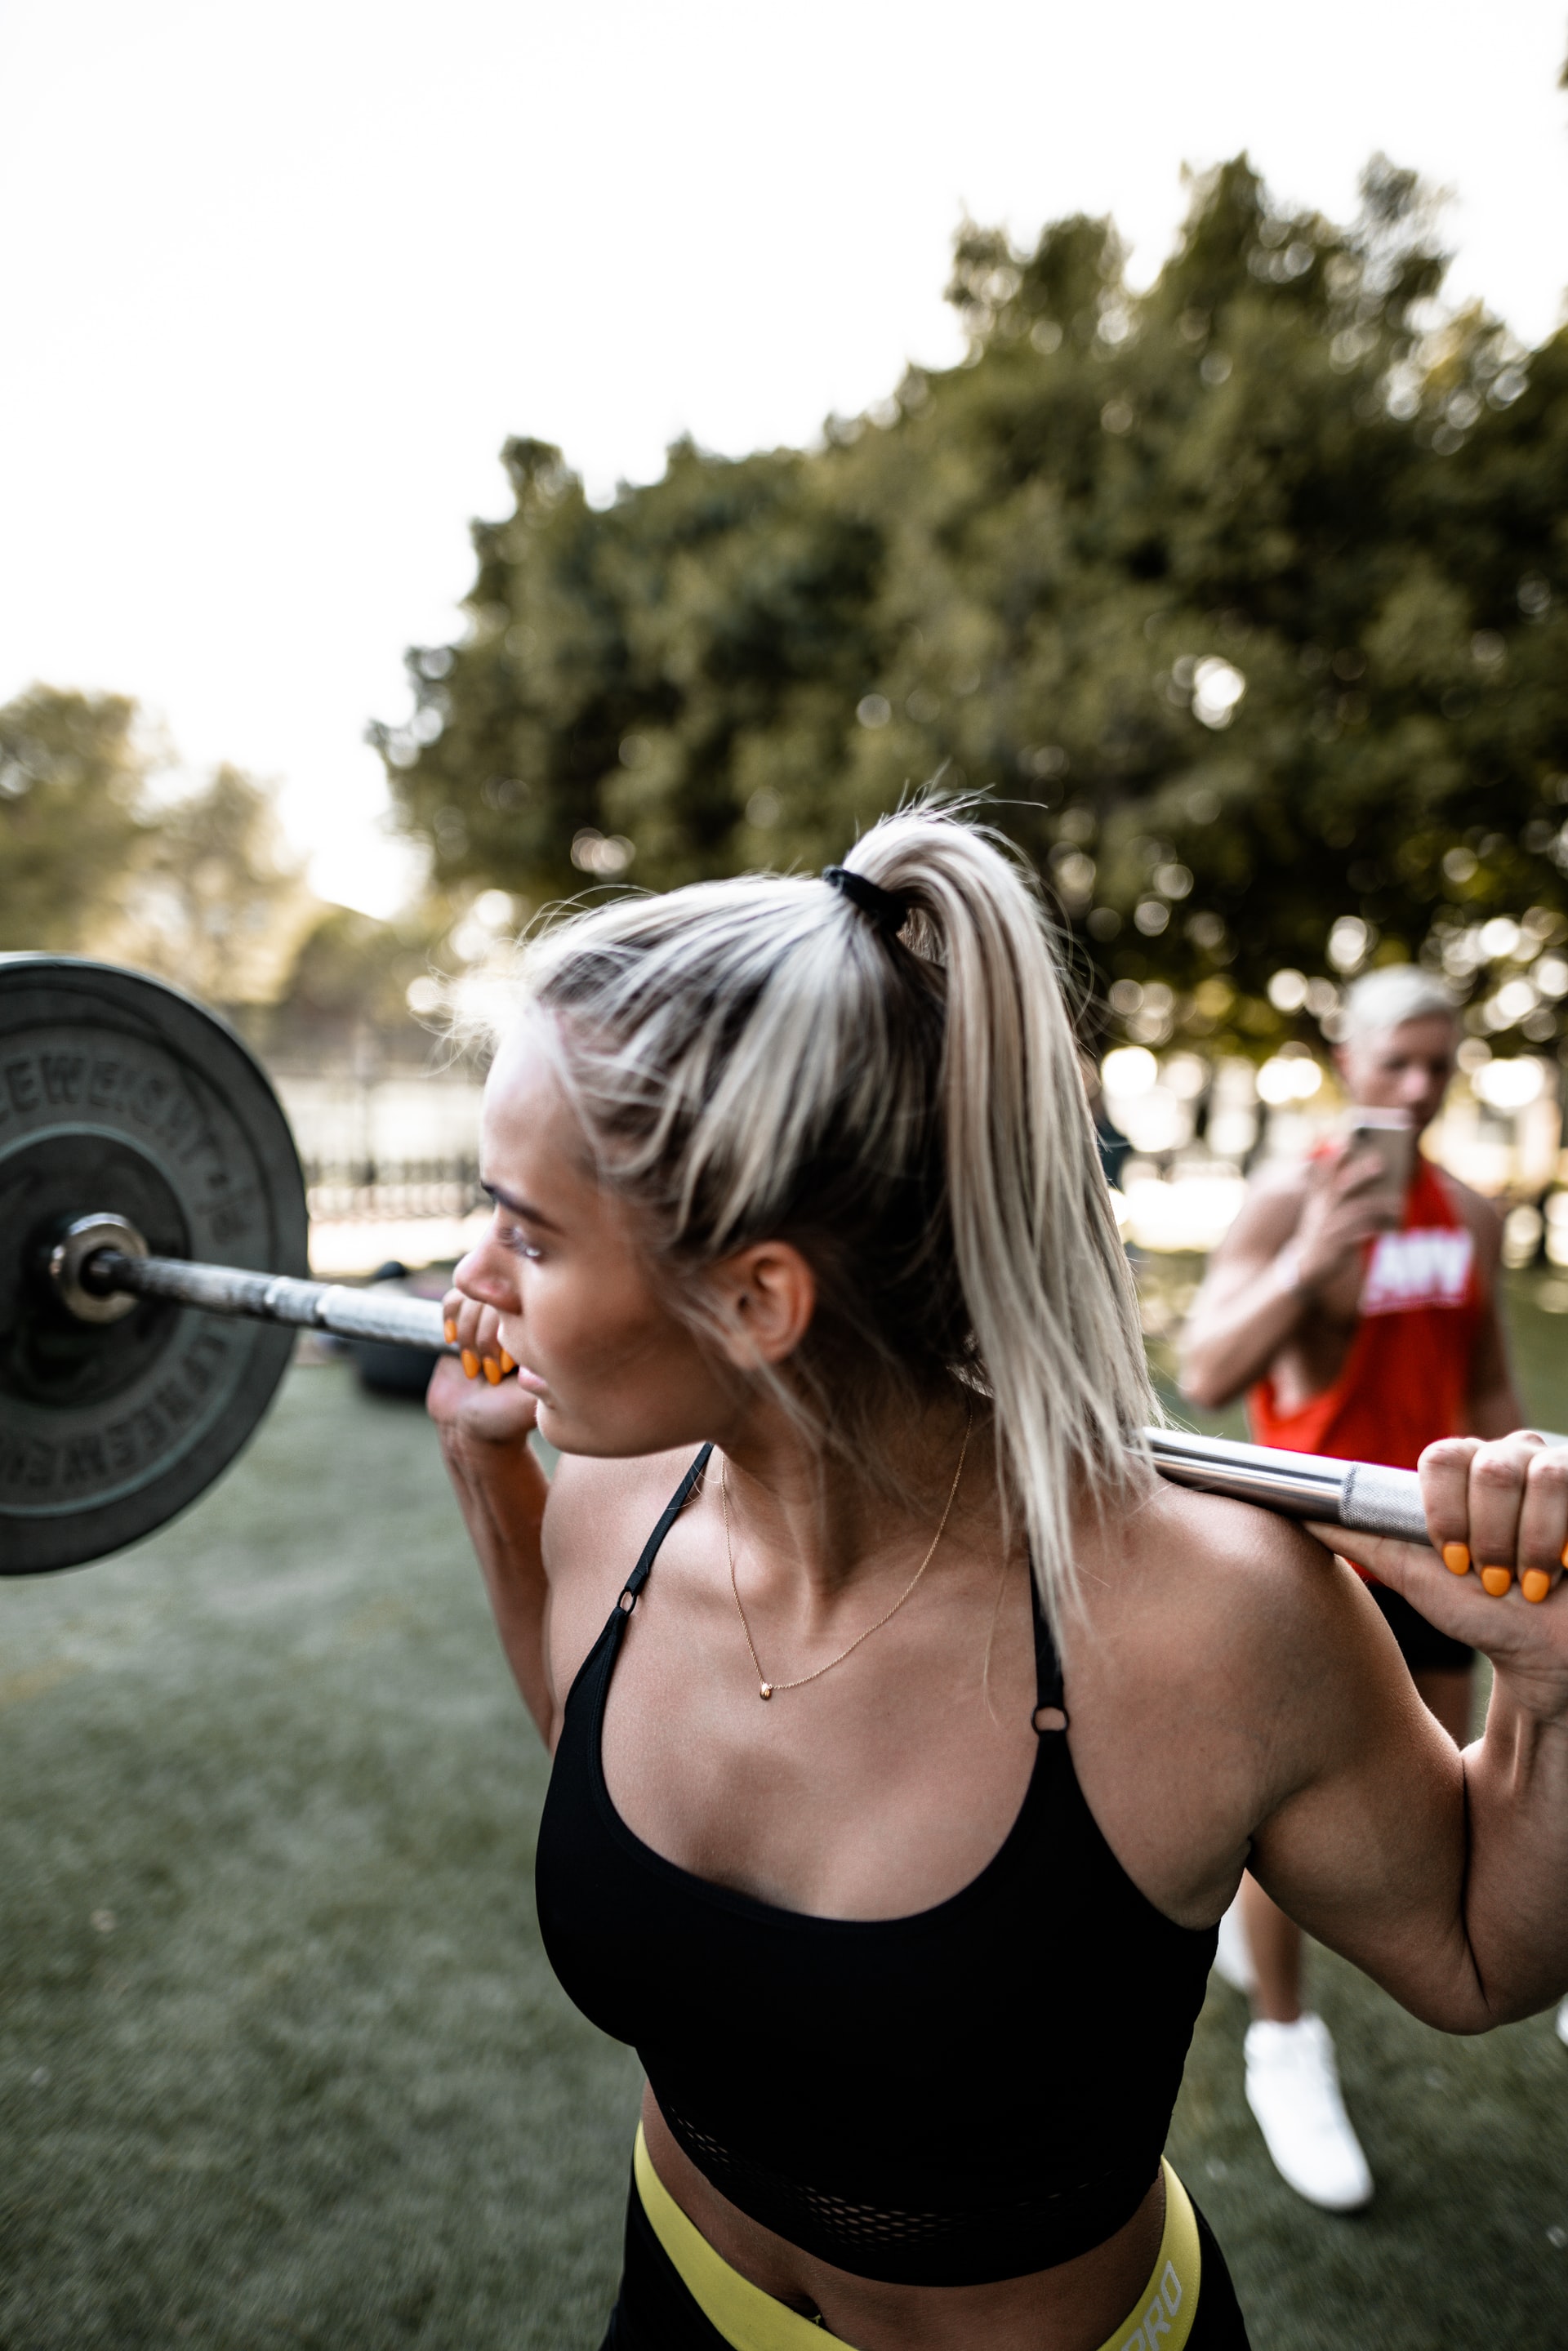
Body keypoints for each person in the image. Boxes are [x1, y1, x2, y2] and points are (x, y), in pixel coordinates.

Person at [429, 813, 1568, 2351]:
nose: (473, 1276)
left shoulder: (1211, 1615)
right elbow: (601, 1760)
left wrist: (1557, 1690)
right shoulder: (615, 1498)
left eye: (530, 1232)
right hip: (674, 2305)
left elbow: (1479, 1952)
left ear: (760, 1296)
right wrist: (494, 1488)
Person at [1179, 965, 1522, 2212]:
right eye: (1397, 1065)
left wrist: (1524, 1518)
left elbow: (1483, 1387)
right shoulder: (1290, 1196)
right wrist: (1313, 1254)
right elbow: (1209, 1364)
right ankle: (1283, 2039)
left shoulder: (1473, 1215)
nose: (1420, 1088)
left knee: (1428, 1791)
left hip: (1433, 1544)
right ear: (1349, 1062)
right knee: (1298, 1817)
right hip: (1311, 1545)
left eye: (1440, 1064)